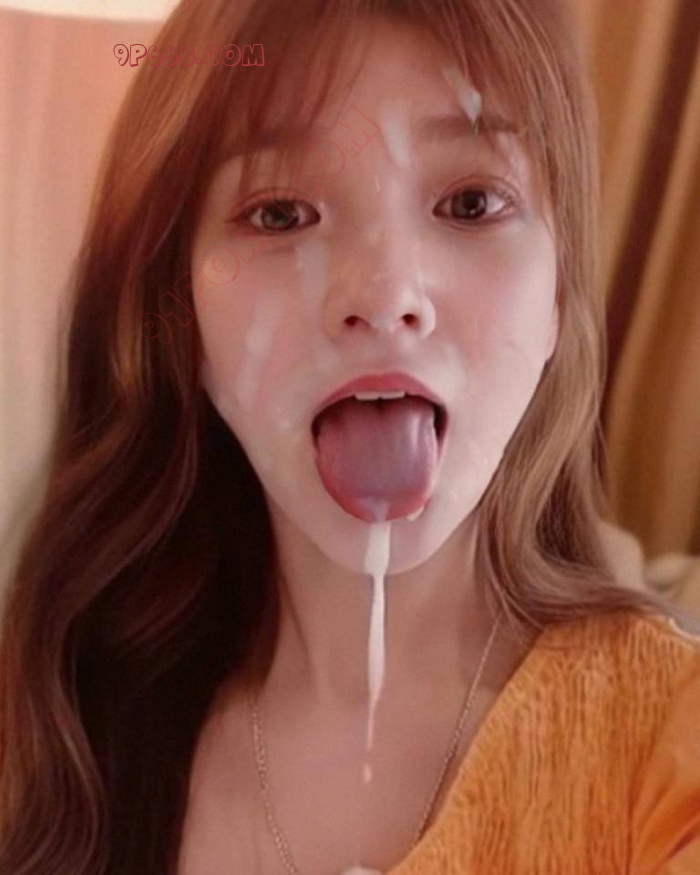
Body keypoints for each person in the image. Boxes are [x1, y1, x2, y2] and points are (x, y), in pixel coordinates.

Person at [1, 1, 699, 873]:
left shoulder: (670, 734)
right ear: (178, 314)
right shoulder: (57, 721)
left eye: (471, 202)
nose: (385, 293)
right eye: (280, 213)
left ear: (558, 295)